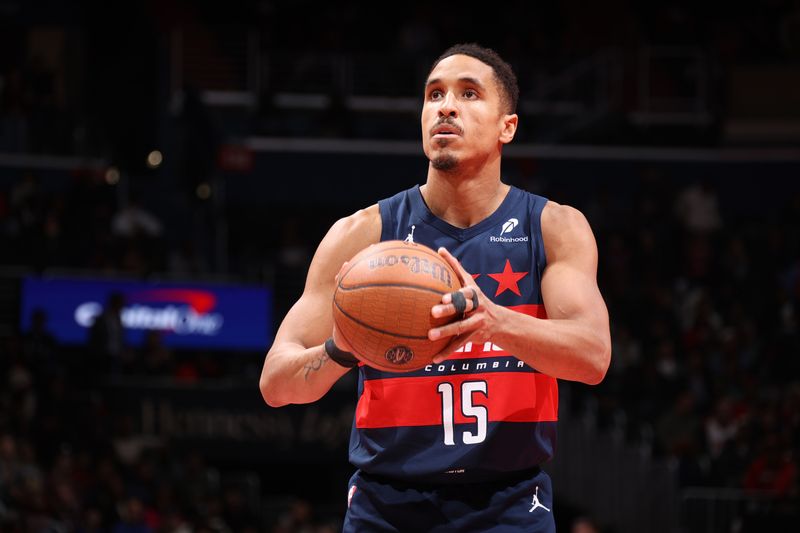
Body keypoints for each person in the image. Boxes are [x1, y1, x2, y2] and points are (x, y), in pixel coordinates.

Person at [260, 43, 612, 532]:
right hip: (385, 506)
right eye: (434, 95)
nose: (446, 105)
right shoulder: (361, 234)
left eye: (469, 94)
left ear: (507, 126)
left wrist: (496, 322)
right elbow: (275, 384)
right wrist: (344, 347)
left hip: (510, 503)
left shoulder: (552, 227)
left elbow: (593, 356)